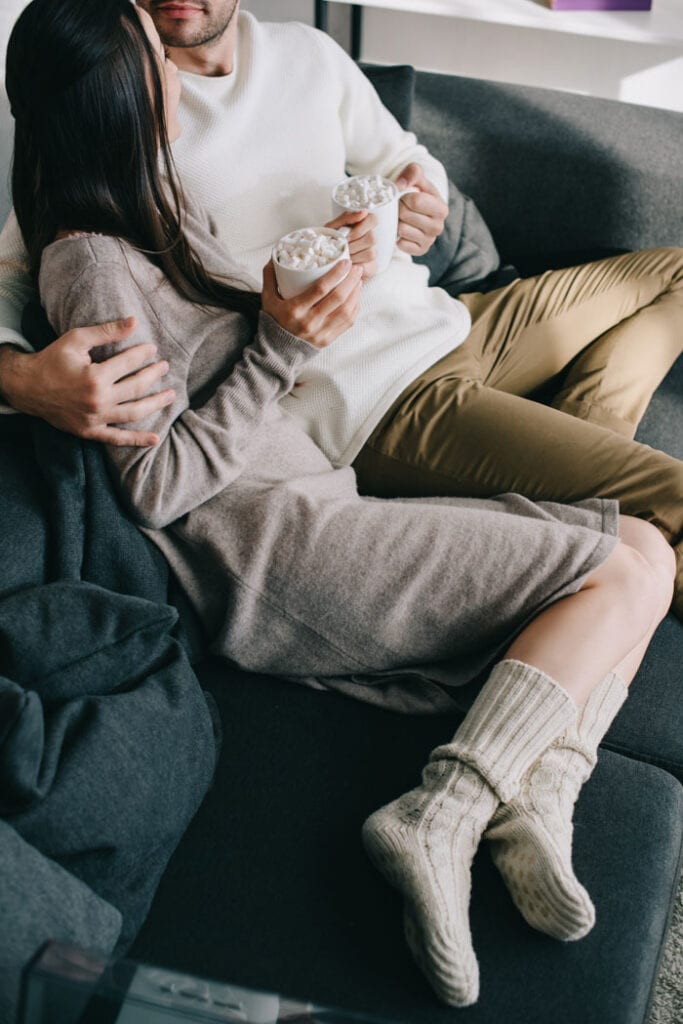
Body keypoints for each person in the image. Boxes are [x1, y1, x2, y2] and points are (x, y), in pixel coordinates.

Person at [6, 0, 675, 1007]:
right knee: (633, 559)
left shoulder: (152, 212)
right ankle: (441, 810)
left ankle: (531, 783)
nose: (181, 78)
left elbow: (228, 367)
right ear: (118, 106)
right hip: (281, 551)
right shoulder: (90, 257)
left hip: (320, 504)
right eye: (155, 66)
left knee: (640, 558)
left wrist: (363, 243)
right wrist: (281, 343)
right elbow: (155, 487)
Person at [0, 2, 681, 624]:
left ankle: (579, 450)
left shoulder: (308, 54)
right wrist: (20, 380)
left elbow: (404, 158)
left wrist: (420, 203)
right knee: (670, 495)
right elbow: (23, 268)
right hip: (361, 391)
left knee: (674, 271)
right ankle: (584, 482)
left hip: (441, 321)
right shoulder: (119, 115)